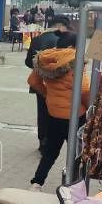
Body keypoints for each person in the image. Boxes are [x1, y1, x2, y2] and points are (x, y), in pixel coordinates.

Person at [28, 32, 90, 191]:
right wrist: (88, 106)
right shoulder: (74, 59)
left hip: (53, 114)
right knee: (78, 153)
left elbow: (33, 81)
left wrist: (47, 94)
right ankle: (75, 184)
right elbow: (84, 88)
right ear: (72, 46)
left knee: (50, 152)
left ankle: (37, 183)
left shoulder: (45, 58)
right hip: (75, 117)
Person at [26, 16, 71, 153]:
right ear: (60, 26)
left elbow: (28, 62)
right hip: (58, 84)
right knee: (55, 113)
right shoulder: (64, 40)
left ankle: (42, 142)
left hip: (39, 83)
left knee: (42, 112)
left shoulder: (37, 39)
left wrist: (40, 69)